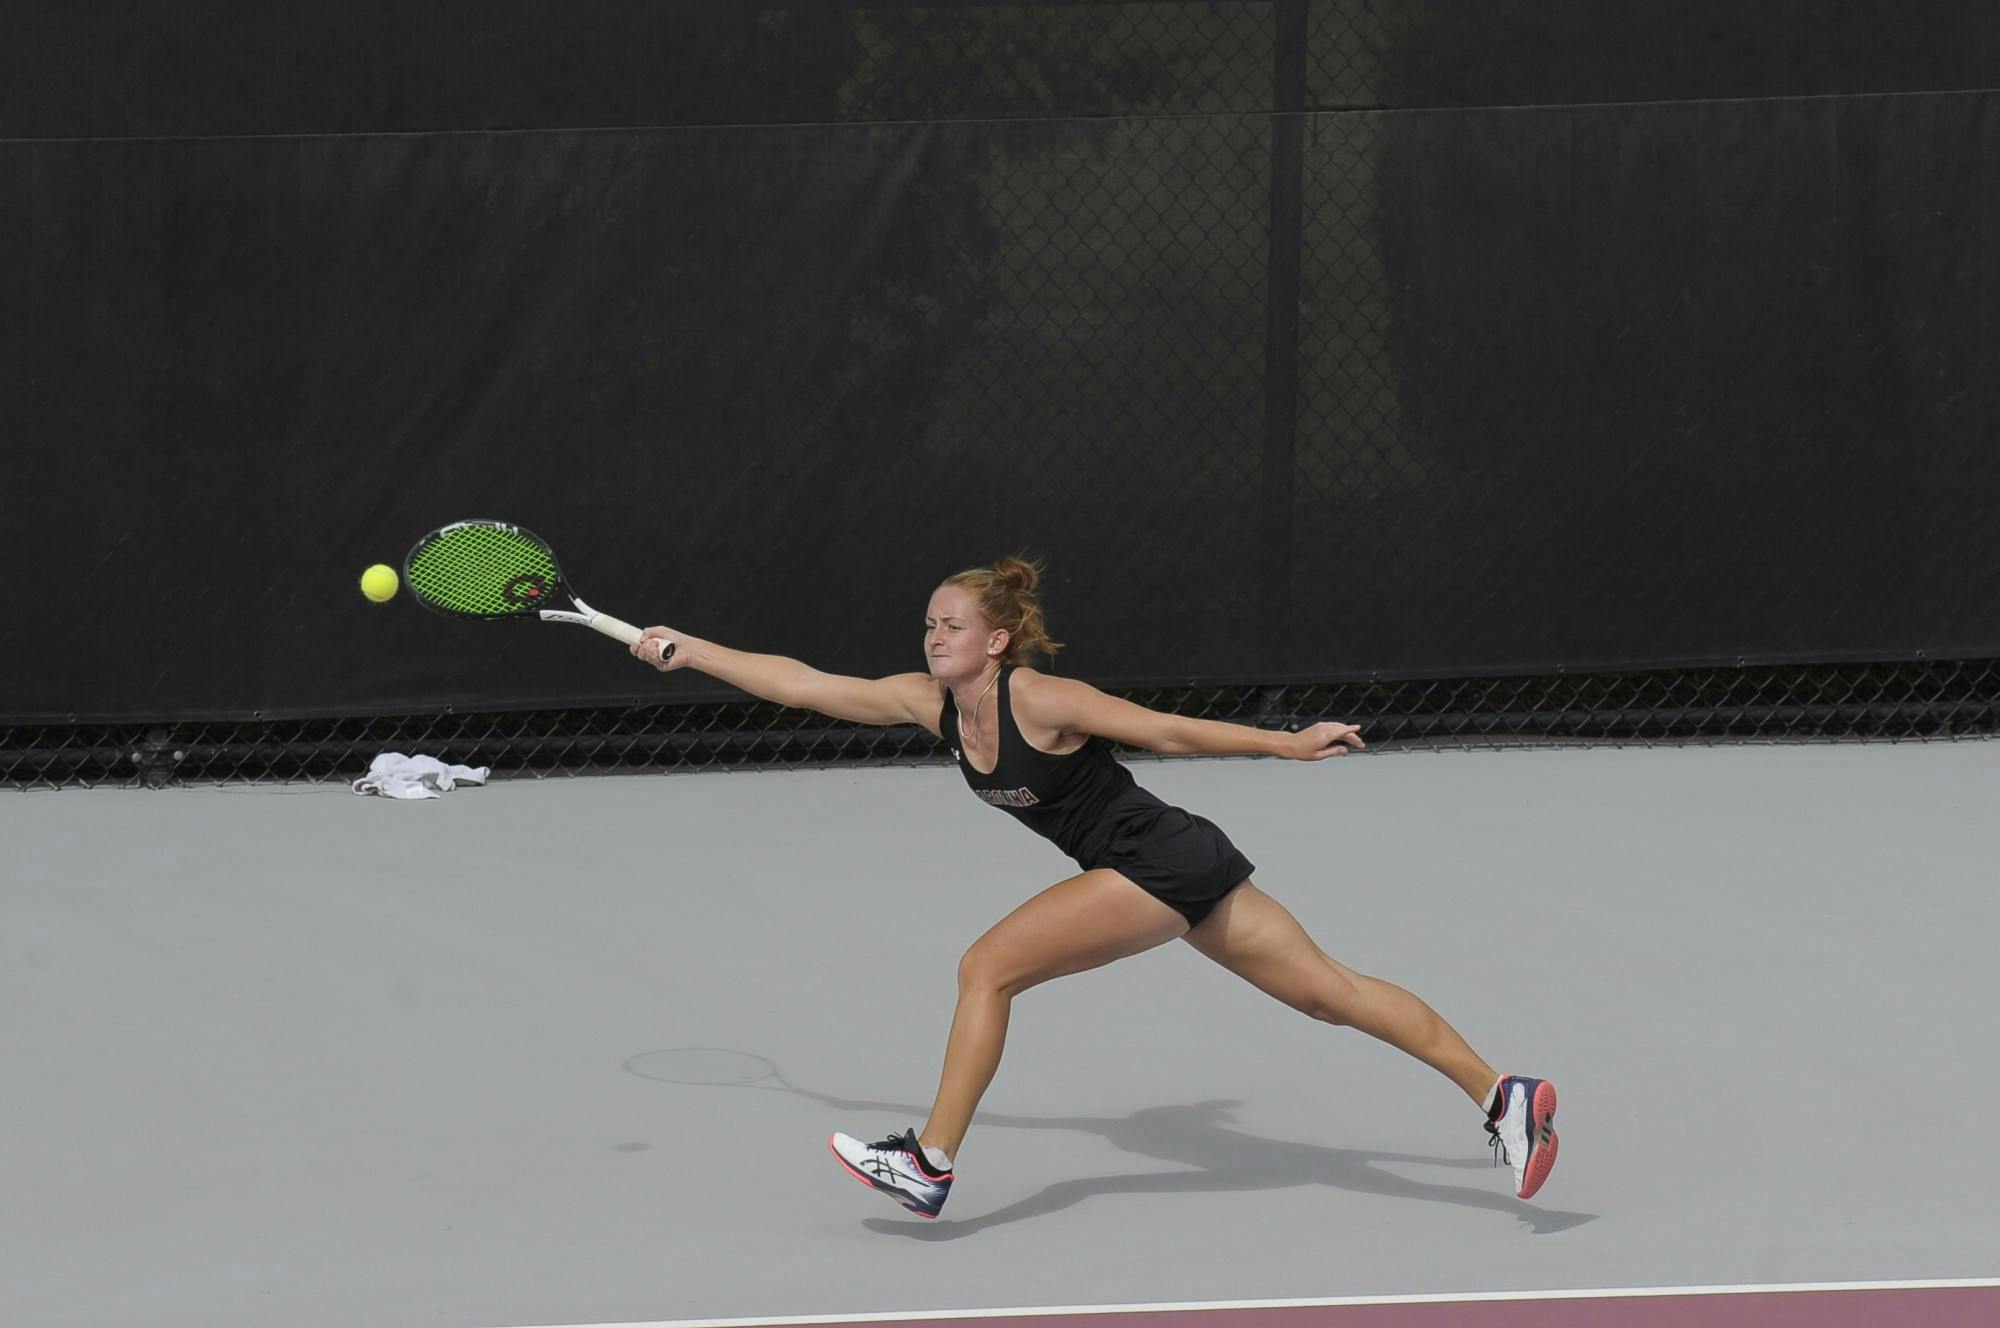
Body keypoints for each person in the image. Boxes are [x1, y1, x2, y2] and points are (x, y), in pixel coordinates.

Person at [630, 556, 1558, 1219]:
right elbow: (806, 685)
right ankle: (1502, 1095)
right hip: (1176, 862)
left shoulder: (1040, 697)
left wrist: (1288, 742)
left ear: (995, 640)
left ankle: (930, 1164)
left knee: (987, 969)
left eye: (950, 625)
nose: (933, 636)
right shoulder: (931, 704)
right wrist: (696, 652)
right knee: (1331, 996)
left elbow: (1167, 731)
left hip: (1156, 859)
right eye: (928, 624)